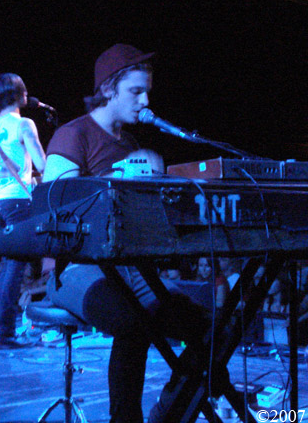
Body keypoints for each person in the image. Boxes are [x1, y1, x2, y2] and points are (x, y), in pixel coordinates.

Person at [43, 44, 211, 423]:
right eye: (136, 91)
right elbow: (55, 208)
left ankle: (167, 414)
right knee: (132, 321)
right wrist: (113, 179)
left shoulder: (132, 144)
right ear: (108, 89)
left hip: (131, 268)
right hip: (75, 268)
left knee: (210, 326)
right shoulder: (74, 134)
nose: (146, 100)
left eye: (146, 91)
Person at [0, 72, 46, 348]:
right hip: (17, 200)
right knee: (16, 266)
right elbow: (42, 163)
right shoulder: (24, 124)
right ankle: (4, 331)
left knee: (8, 264)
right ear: (20, 95)